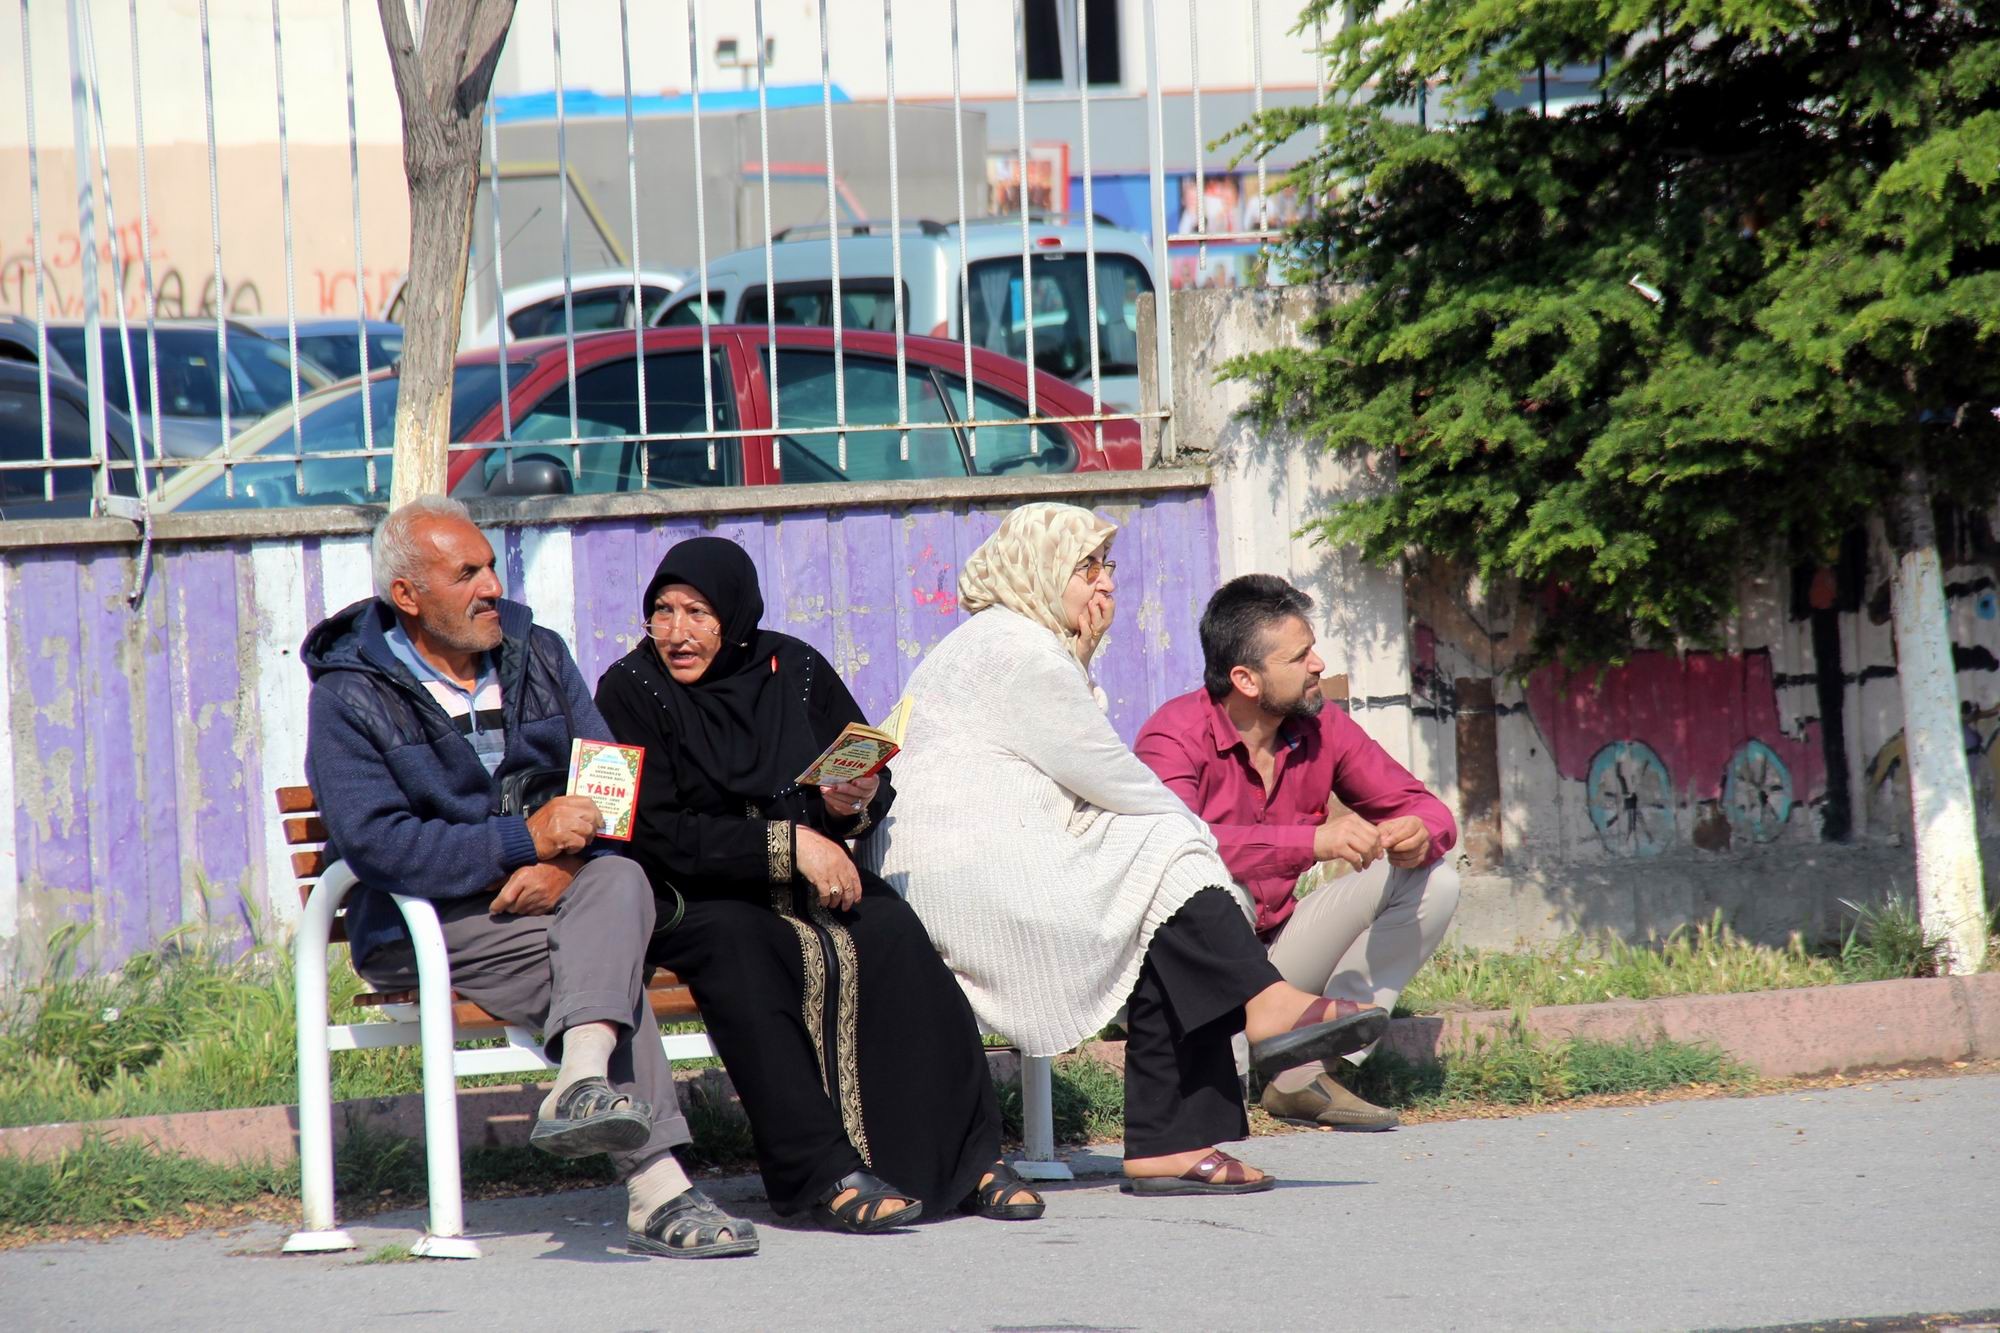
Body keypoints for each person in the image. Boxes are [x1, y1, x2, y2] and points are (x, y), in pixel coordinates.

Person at [867, 502, 1389, 1196]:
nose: (1104, 583)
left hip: (987, 856)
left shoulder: (1012, 642)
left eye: (1105, 565)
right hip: (970, 878)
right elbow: (1106, 771)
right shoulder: (1014, 648)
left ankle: (1177, 1133)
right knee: (1169, 847)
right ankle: (1242, 1034)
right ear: (1039, 569)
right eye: (1086, 567)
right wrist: (1197, 840)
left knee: (1162, 879)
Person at [303, 497, 756, 1259]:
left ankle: (581, 1076)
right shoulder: (349, 696)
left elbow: (609, 785)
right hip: (430, 917)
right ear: (407, 596)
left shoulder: (537, 651)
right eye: (466, 574)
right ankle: (658, 1189)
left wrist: (565, 863)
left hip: (554, 895)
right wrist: (524, 841)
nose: (491, 587)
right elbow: (378, 845)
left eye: (491, 566)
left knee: (624, 885)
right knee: (603, 981)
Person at [593, 536, 1040, 1233]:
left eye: (698, 613)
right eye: (662, 611)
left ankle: (968, 1157)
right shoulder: (626, 689)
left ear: (735, 616)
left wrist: (850, 800)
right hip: (695, 895)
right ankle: (823, 1171)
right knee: (744, 952)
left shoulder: (794, 667)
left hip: (813, 880)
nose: (677, 632)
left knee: (894, 933)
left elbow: (870, 774)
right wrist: (789, 842)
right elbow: (647, 831)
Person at [1136, 574, 1461, 1132]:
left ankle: (1304, 1067)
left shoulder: (1321, 724)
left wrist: (1416, 832)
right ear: (1245, 678)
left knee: (1435, 881)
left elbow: (1429, 811)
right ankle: (1225, 1085)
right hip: (1182, 973)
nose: (1319, 664)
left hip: (1276, 951)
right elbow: (1174, 849)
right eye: (1301, 655)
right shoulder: (1172, 736)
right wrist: (1314, 841)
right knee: (1216, 889)